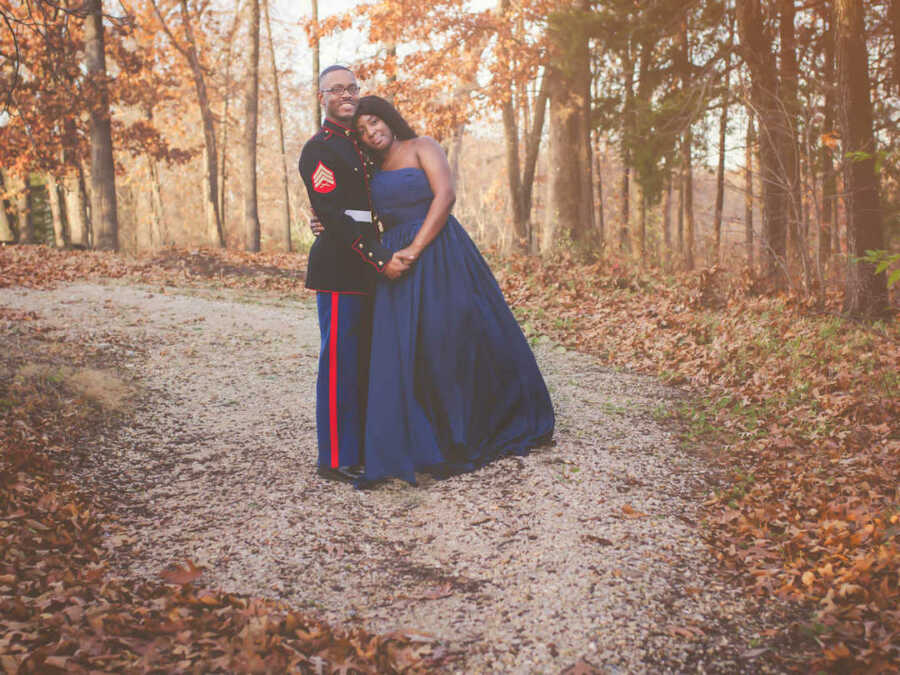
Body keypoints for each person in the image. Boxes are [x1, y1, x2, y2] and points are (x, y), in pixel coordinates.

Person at [351, 95, 555, 486]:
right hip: (395, 264)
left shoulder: (421, 146)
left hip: (440, 251)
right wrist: (326, 225)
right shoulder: (370, 170)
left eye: (375, 122)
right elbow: (360, 216)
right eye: (362, 131)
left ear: (389, 119)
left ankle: (471, 428)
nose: (371, 133)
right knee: (411, 348)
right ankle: (427, 440)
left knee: (454, 335)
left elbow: (445, 196)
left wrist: (415, 247)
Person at [298, 67, 411, 483]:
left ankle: (368, 447)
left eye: (352, 88)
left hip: (372, 269)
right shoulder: (318, 150)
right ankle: (335, 457)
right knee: (340, 363)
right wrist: (378, 256)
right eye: (337, 89)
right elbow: (334, 216)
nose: (346, 95)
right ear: (322, 97)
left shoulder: (364, 145)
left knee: (369, 361)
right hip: (341, 269)